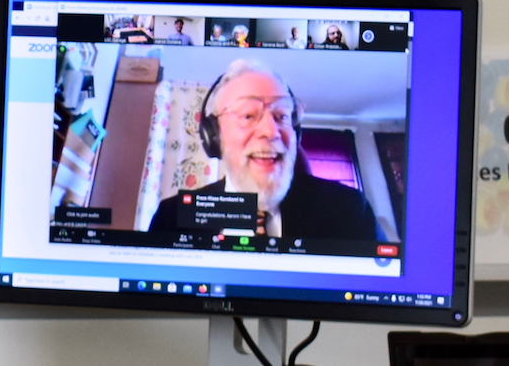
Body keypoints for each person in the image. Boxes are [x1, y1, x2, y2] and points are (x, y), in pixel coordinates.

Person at [148, 61, 379, 242]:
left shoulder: (349, 210)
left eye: (282, 116)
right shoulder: (173, 216)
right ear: (214, 136)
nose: (271, 131)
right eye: (248, 115)